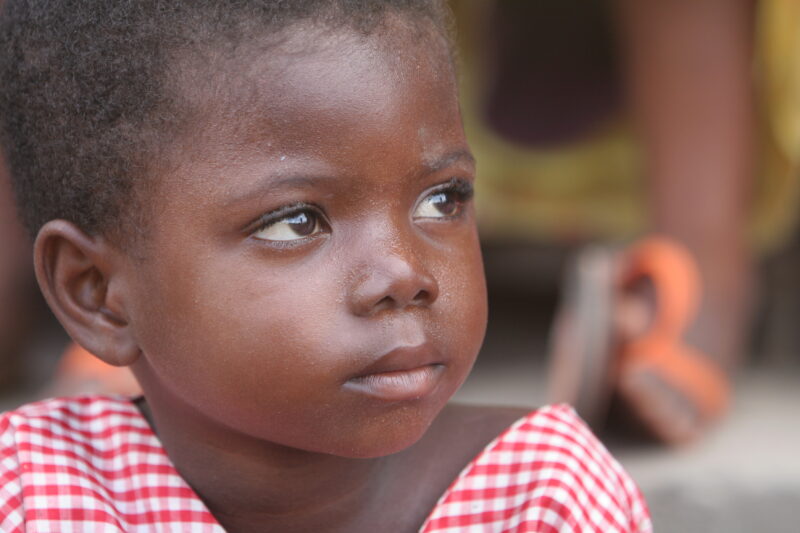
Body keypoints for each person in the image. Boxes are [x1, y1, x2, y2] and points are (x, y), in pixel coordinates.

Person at [0, 1, 651, 531]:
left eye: (441, 199)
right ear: (97, 292)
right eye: (296, 222)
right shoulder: (40, 497)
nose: (403, 273)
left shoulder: (541, 500)